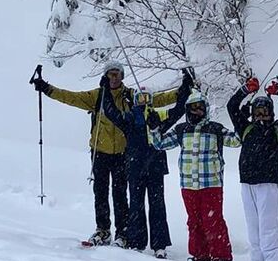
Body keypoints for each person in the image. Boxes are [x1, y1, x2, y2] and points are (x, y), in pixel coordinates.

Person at [32, 62, 177, 246]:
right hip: (99, 152)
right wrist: (47, 89)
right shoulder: (97, 96)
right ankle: (103, 230)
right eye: (110, 74)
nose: (113, 78)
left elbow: (157, 99)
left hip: (123, 153)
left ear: (122, 76)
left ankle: (122, 233)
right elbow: (71, 97)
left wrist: (181, 93)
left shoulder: (131, 96)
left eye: (116, 74)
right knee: (100, 192)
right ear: (106, 76)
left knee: (120, 193)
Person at [100, 68, 195, 258]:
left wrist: (186, 86)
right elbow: (110, 112)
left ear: (151, 100)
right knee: (136, 204)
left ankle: (159, 244)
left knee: (157, 204)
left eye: (146, 98)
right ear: (134, 101)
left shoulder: (157, 117)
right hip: (134, 167)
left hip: (155, 167)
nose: (143, 101)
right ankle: (137, 241)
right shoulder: (128, 119)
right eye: (139, 98)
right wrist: (104, 90)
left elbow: (177, 111)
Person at [150, 89, 241, 261]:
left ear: (205, 109)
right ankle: (201, 256)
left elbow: (237, 140)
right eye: (192, 109)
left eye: (199, 108)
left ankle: (221, 258)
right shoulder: (181, 130)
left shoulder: (215, 129)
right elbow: (159, 144)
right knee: (194, 221)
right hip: (189, 184)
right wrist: (154, 128)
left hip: (211, 183)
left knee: (213, 221)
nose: (196, 112)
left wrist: (240, 120)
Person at [227, 76, 278, 261]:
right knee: (253, 227)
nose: (261, 116)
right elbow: (232, 106)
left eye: (265, 112)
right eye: (257, 112)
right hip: (247, 183)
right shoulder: (245, 128)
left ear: (271, 113)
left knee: (268, 227)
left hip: (268, 183)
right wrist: (245, 90)